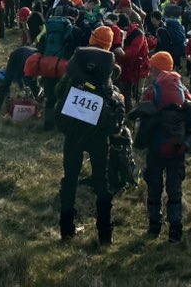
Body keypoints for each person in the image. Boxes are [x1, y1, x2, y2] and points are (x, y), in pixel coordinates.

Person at [56, 28, 125, 245]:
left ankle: (66, 231)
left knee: (70, 179)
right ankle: (105, 233)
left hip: (74, 131)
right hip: (98, 133)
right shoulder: (110, 69)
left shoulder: (75, 66)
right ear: (109, 45)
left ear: (91, 40)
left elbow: (58, 92)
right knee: (101, 181)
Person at [134, 51, 191, 243]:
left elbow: (142, 115)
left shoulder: (152, 91)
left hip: (156, 147)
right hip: (177, 149)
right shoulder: (183, 90)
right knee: (174, 188)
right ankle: (175, 230)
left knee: (154, 186)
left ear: (156, 69)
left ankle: (154, 225)